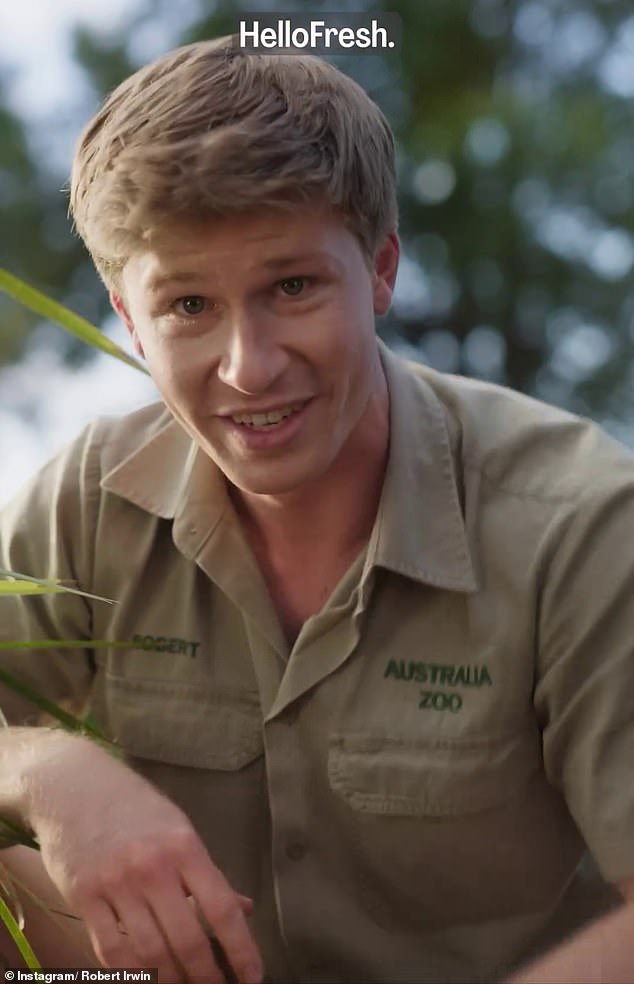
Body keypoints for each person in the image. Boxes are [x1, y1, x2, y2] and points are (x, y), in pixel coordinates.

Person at [1, 33, 634, 984]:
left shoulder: (577, 522)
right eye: (187, 307)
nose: (248, 367)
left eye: (292, 287)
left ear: (380, 269)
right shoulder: (88, 498)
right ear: (128, 319)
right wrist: (46, 774)